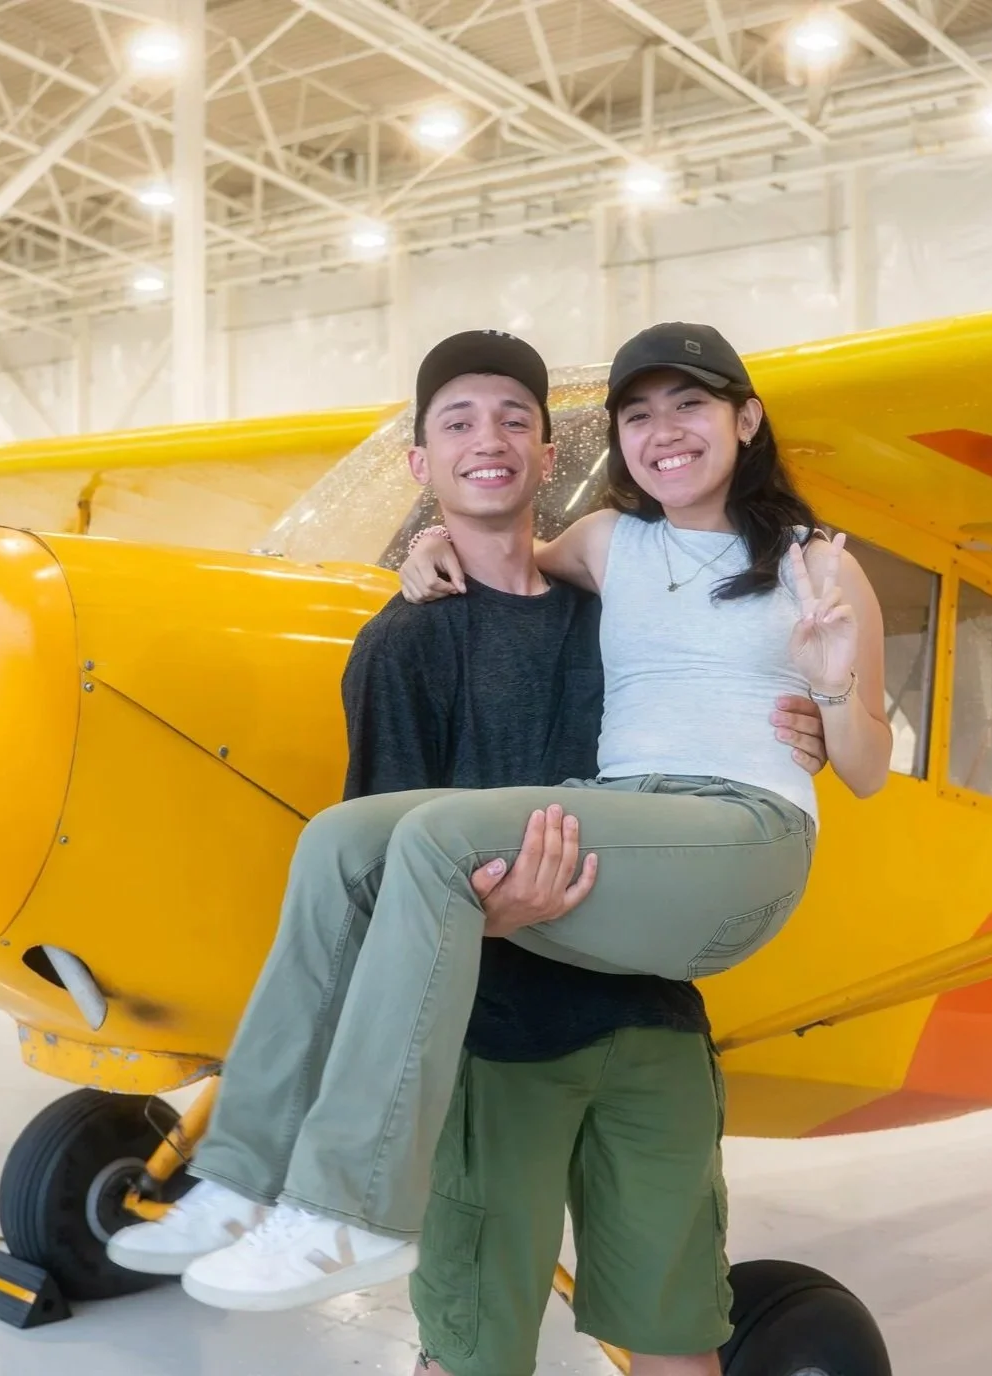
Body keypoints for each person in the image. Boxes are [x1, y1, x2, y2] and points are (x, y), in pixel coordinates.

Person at [115, 322, 893, 1315]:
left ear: (745, 418)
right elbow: (501, 547)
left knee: (435, 837)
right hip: (629, 820)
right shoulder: (611, 542)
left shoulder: (814, 564)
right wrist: (425, 540)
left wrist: (831, 692)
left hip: (742, 838)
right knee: (340, 839)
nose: (664, 431)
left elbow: (864, 768)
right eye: (638, 412)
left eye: (690, 405)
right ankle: (236, 1174)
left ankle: (346, 1206)